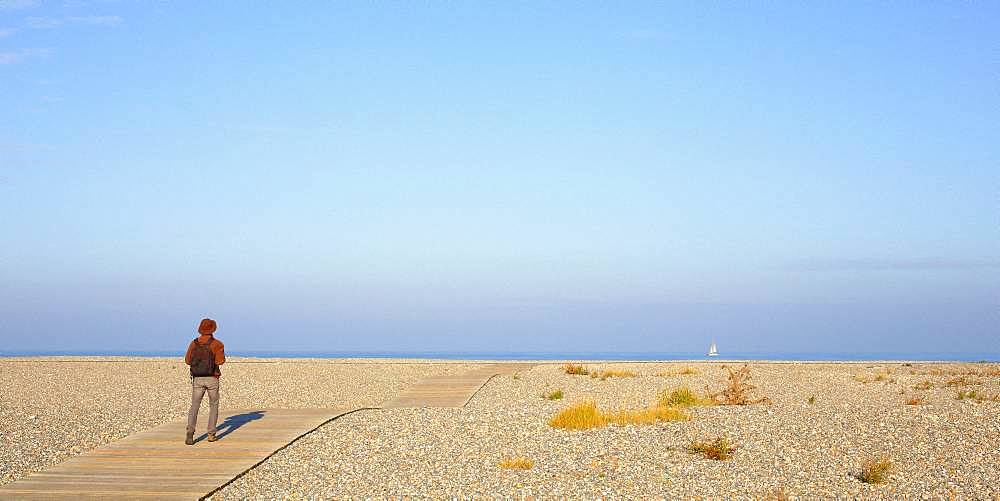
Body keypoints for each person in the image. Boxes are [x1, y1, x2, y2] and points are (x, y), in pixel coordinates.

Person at [184, 318, 226, 445]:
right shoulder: (217, 344)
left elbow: (187, 360)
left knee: (194, 406)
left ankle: (190, 433)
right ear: (213, 329)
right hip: (212, 378)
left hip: (197, 378)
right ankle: (211, 434)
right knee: (213, 406)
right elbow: (220, 362)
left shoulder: (194, 343)